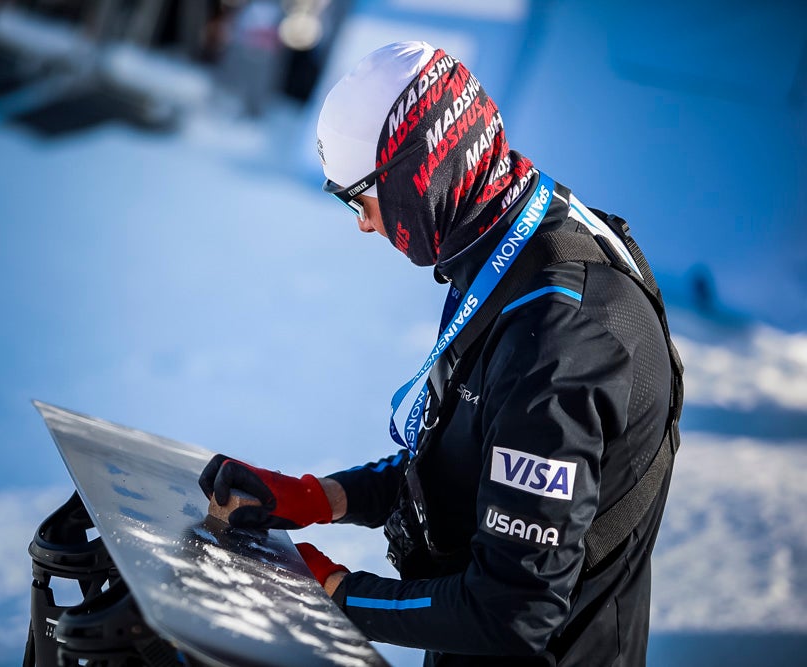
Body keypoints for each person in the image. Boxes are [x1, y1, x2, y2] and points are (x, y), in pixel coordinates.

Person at [199, 41, 683, 666]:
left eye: (357, 197)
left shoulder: (560, 341)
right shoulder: (511, 234)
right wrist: (320, 496)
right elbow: (469, 460)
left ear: (414, 175)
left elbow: (512, 613)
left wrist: (335, 593)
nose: (362, 223)